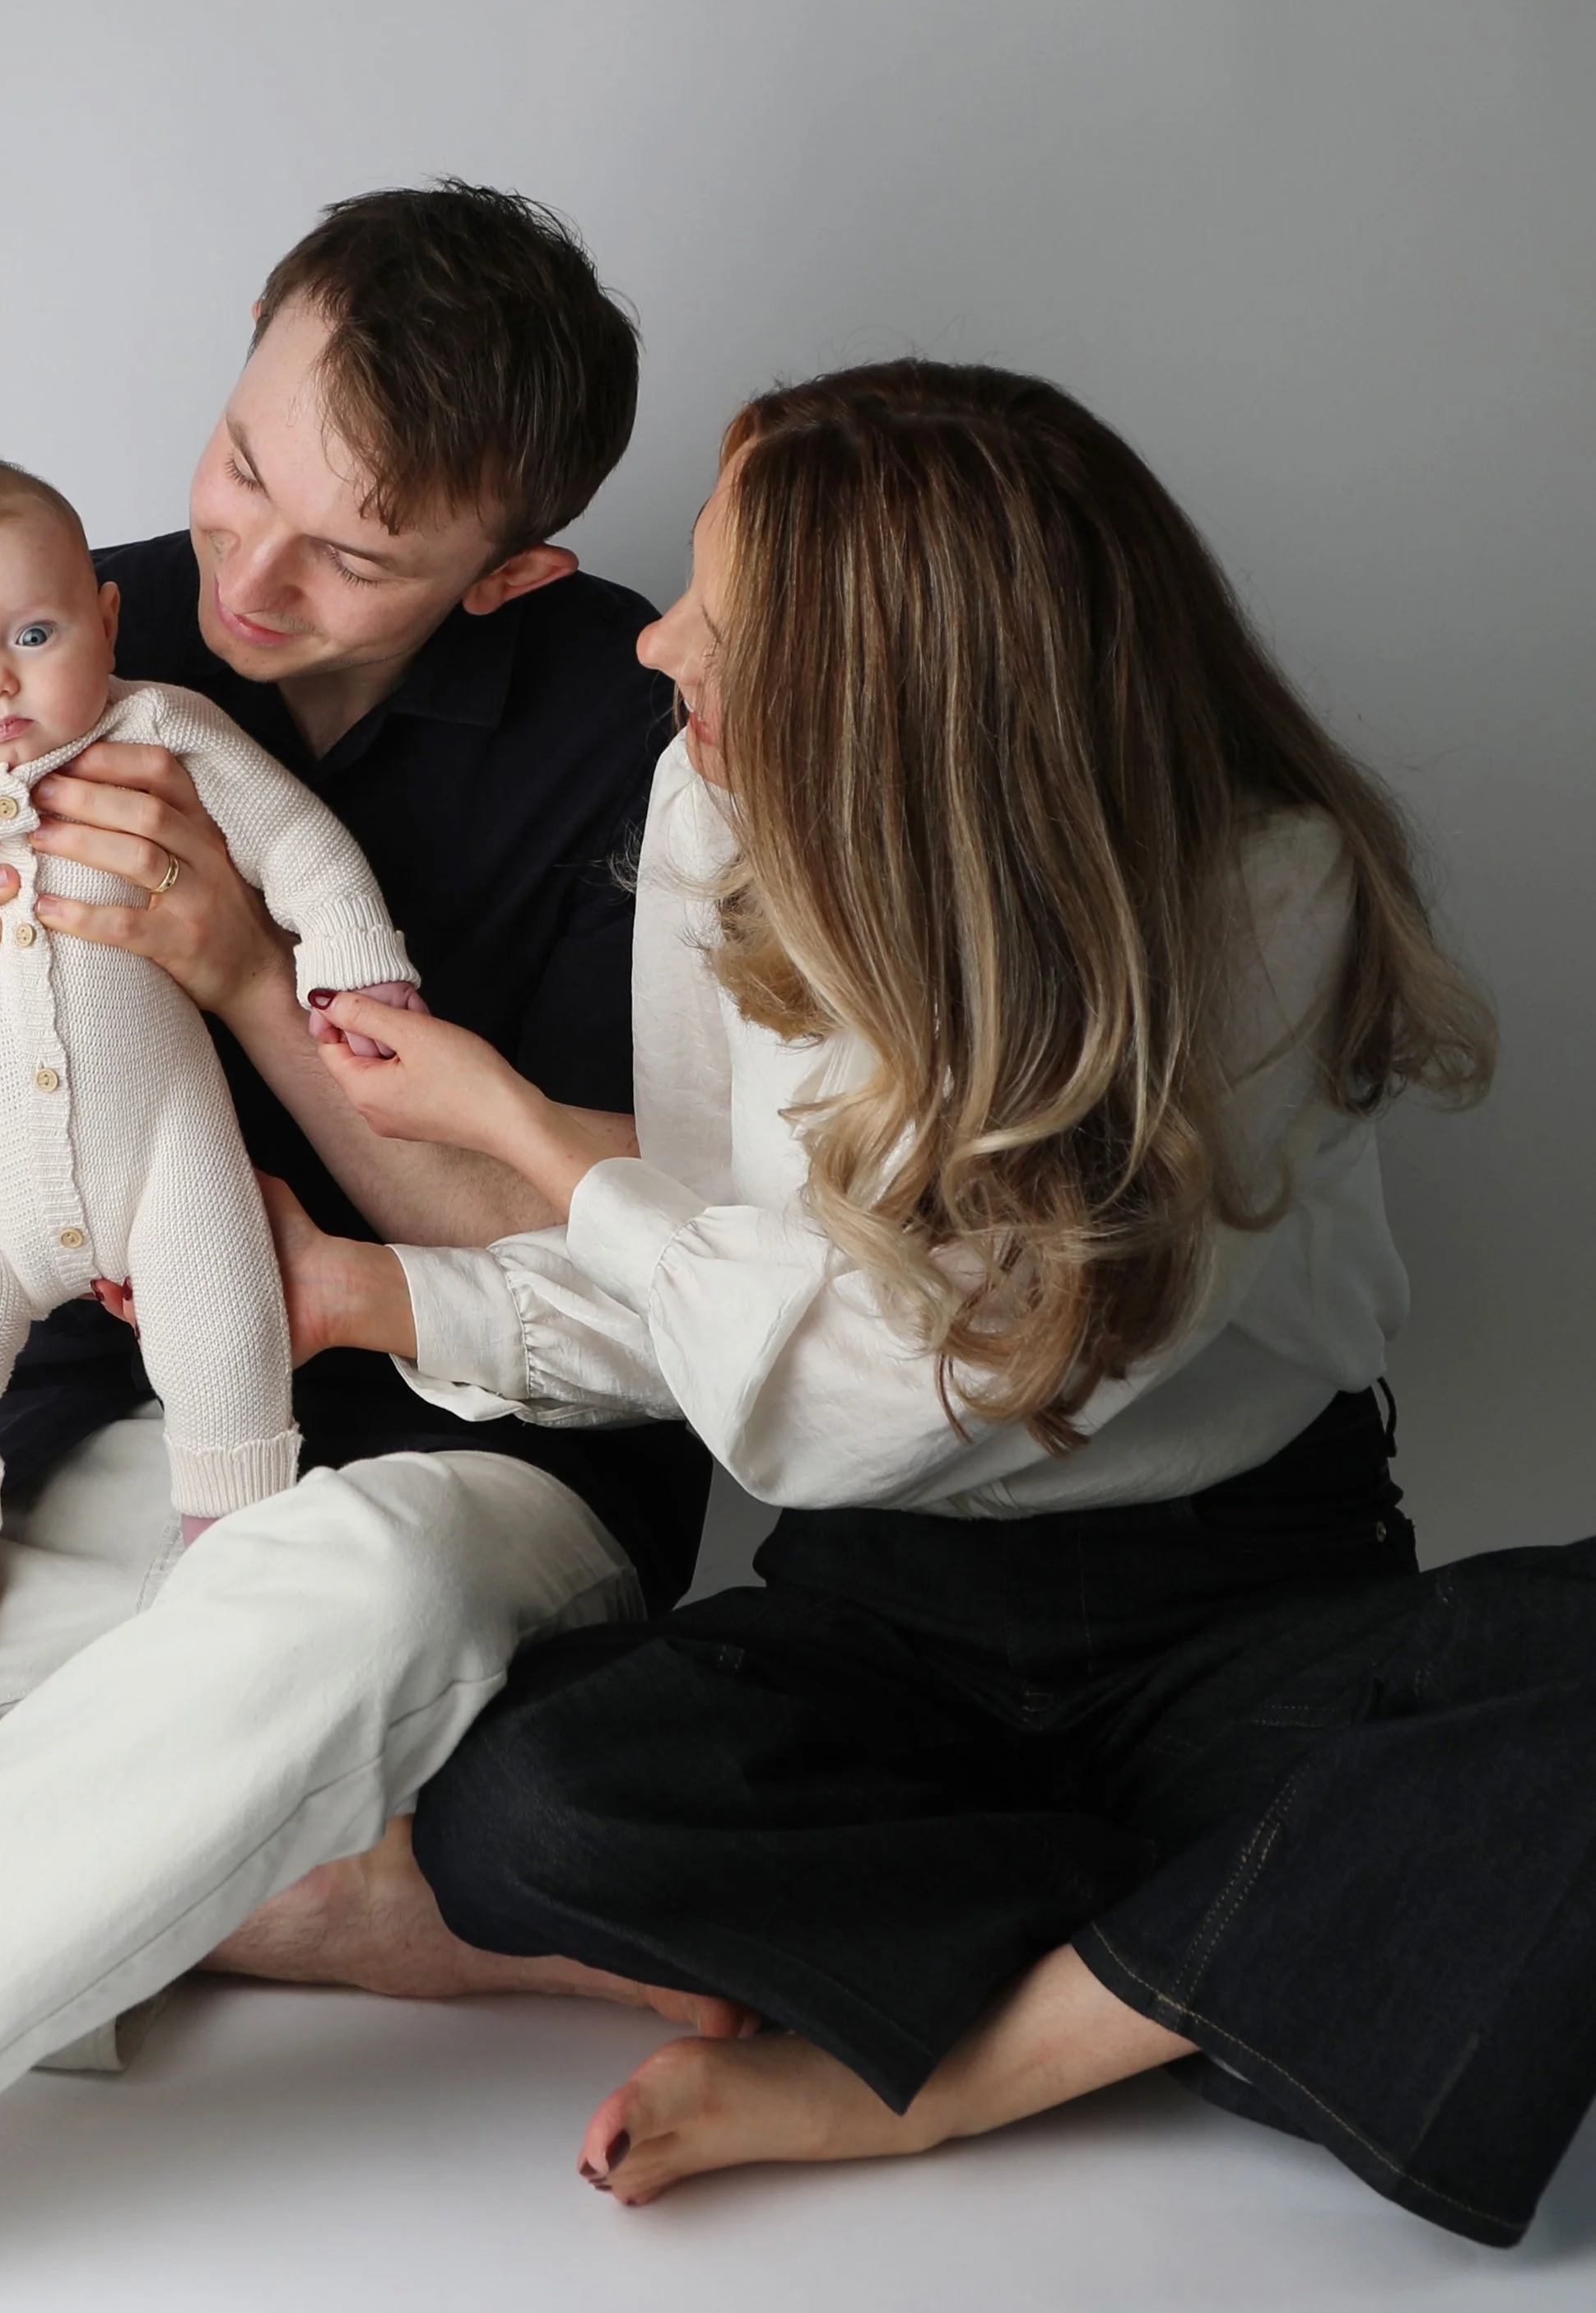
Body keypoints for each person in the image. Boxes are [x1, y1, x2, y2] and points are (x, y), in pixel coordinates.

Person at [268, 361, 1589, 2247]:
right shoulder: (719, 809)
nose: (658, 643)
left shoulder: (1255, 893)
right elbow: (736, 1303)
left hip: (1243, 1601)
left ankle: (950, 2063)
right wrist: (372, 1297)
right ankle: (1245, 1935)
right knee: (531, 1809)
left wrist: (534, 1142)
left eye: (720, 610)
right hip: (891, 1610)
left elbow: (908, 1374)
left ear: (895, 682)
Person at [0, 184, 722, 2236]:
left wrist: (253, 977)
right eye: (241, 466)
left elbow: (613, 1274)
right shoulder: (61, 620)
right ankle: (254, 1896)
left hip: (455, 1464)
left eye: (356, 555)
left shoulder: (642, 746)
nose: (242, 575)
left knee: (352, 1597)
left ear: (508, 563)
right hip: (94, 1443)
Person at [0, 453, 421, 1711]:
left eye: (34, 633)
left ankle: (226, 1557)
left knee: (230, 1337)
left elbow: (302, 844)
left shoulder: (161, 729)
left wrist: (357, 967)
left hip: (165, 1147)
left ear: (105, 620)